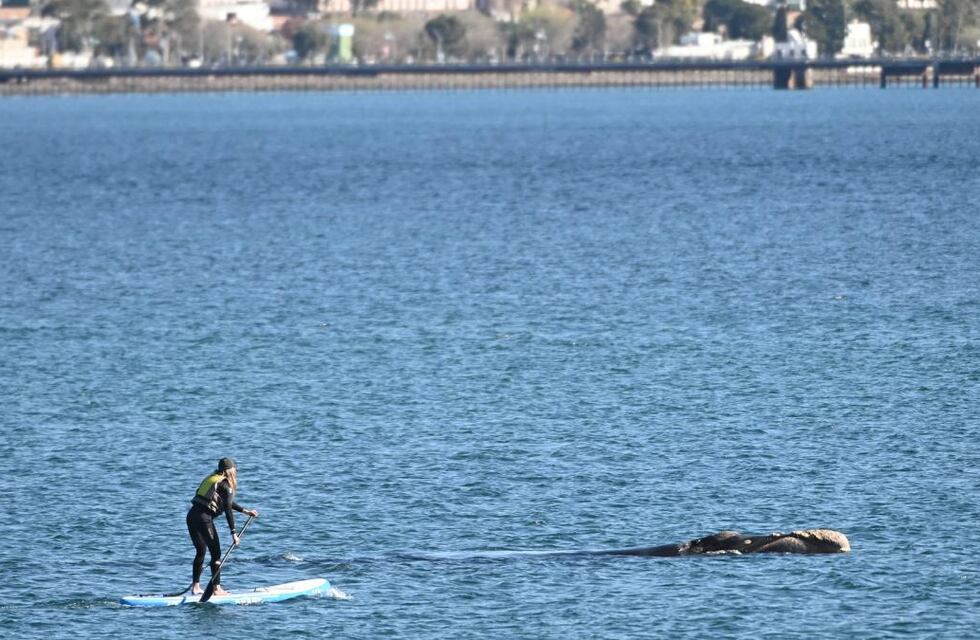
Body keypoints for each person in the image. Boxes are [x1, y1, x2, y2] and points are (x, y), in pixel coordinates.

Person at [186, 457, 259, 595]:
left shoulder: (212, 478)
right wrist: (234, 533)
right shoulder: (226, 485)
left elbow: (227, 503)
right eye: (234, 469)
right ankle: (216, 589)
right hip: (203, 519)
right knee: (216, 554)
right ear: (230, 471)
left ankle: (195, 587)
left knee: (201, 551)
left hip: (191, 516)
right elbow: (228, 510)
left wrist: (245, 511)